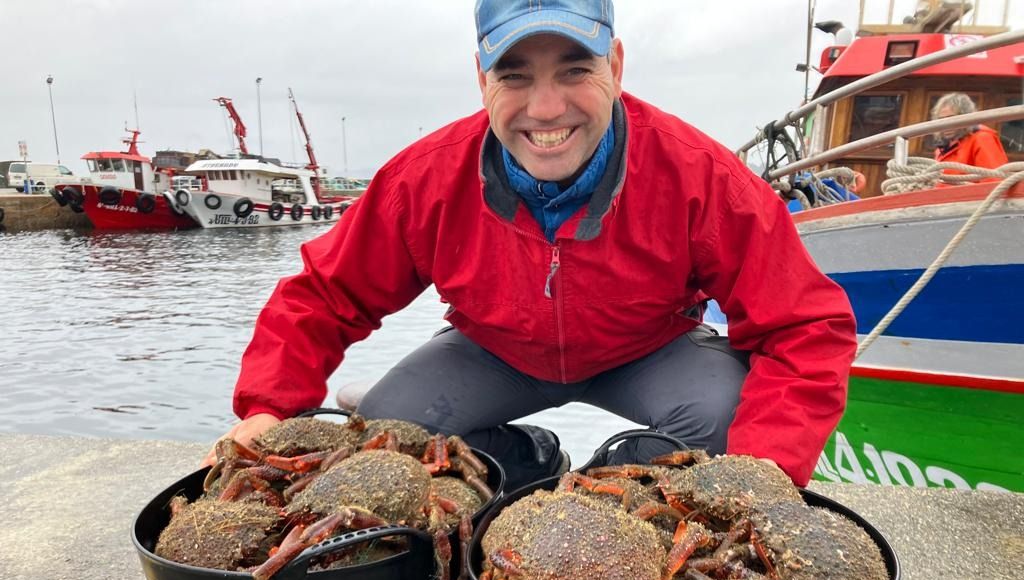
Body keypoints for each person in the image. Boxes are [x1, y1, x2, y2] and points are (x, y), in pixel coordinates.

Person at [204, 0, 857, 490]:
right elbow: (325, 294)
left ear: (617, 66)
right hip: (497, 351)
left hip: (646, 350)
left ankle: (609, 488)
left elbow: (805, 324)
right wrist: (268, 409)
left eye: (574, 70)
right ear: (481, 77)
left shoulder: (698, 174)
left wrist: (761, 474)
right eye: (515, 76)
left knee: (734, 427)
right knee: (385, 438)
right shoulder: (425, 178)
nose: (545, 108)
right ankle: (524, 463)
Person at [931, 92, 1009, 171]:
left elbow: (994, 178)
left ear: (966, 117)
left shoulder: (982, 139)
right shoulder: (943, 148)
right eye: (941, 120)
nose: (946, 125)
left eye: (951, 119)